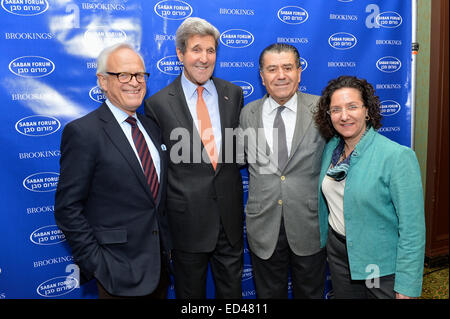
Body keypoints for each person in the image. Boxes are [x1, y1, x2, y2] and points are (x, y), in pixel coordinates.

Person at [55, 43, 171, 298]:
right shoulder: (84, 133)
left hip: (159, 269)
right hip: (116, 274)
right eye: (124, 75)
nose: (134, 82)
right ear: (103, 81)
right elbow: (67, 208)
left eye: (140, 75)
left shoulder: (151, 127)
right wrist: (98, 264)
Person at [144, 17, 244, 298]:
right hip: (186, 226)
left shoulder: (233, 94)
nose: (204, 58)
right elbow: (159, 170)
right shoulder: (157, 104)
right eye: (196, 50)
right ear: (180, 54)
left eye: (210, 51)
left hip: (230, 223)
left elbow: (236, 152)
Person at [314, 75, 426, 299]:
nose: (344, 116)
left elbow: (412, 229)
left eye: (352, 107)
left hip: (377, 263)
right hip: (339, 255)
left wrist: (407, 285)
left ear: (367, 110)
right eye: (336, 110)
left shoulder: (396, 157)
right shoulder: (332, 149)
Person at [239, 43, 327, 298]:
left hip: (309, 225)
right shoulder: (247, 114)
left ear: (299, 72)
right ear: (262, 76)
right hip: (263, 226)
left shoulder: (321, 109)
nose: (281, 75)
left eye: (288, 67)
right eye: (272, 69)